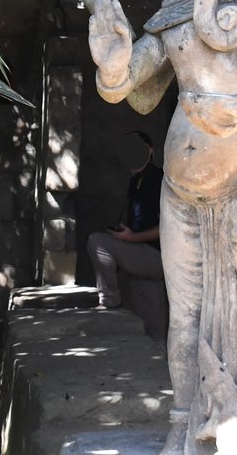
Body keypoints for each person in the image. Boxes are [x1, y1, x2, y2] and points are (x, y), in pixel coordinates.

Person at [86, 130, 166, 335]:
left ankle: (110, 300)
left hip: (154, 256)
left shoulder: (156, 180)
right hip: (142, 256)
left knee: (98, 242)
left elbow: (167, 227)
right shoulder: (137, 181)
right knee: (152, 331)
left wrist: (132, 238)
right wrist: (127, 234)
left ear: (149, 152)